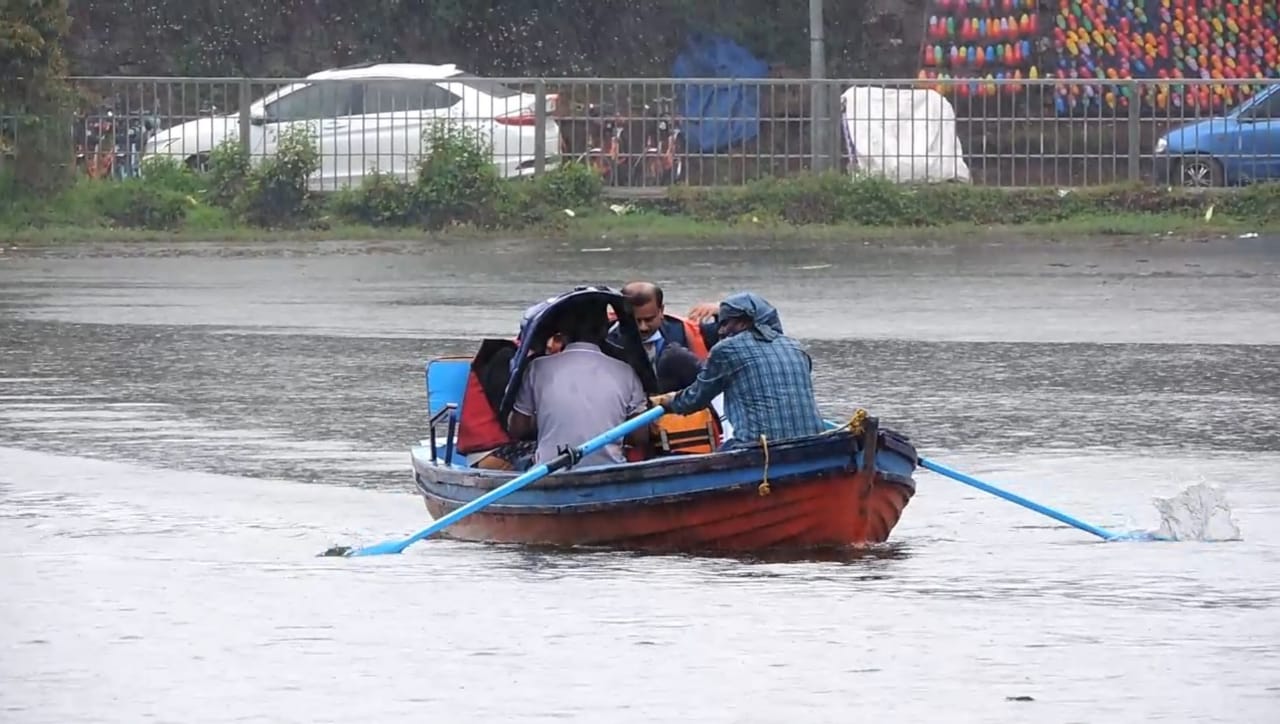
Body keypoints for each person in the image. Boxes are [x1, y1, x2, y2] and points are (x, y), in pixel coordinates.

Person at [648, 292, 824, 449]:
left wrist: (666, 402)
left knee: (716, 460)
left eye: (725, 323)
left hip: (758, 446)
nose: (721, 330)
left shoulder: (727, 350)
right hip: (814, 442)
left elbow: (695, 399)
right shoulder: (795, 346)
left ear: (744, 322)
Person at [507, 299, 650, 468]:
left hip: (550, 471)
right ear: (605, 330)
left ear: (563, 333)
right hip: (610, 468)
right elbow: (640, 437)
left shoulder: (537, 368)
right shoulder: (626, 371)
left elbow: (517, 429)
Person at [458, 301, 566, 471]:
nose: (557, 347)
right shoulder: (505, 359)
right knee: (561, 452)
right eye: (557, 338)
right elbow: (513, 425)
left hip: (515, 444)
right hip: (491, 451)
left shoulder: (532, 362)